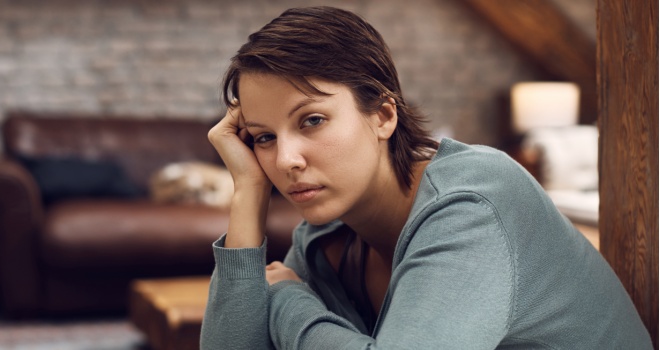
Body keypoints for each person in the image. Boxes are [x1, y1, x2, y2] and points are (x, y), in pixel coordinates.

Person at [201, 6, 652, 349]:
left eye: (312, 120)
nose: (286, 160)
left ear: (382, 115)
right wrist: (248, 190)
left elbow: (285, 303)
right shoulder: (326, 236)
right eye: (263, 138)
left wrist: (286, 301)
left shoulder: (474, 202)